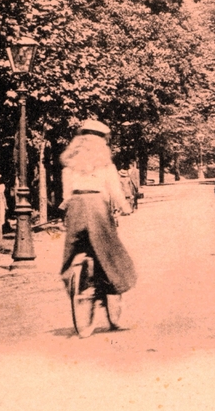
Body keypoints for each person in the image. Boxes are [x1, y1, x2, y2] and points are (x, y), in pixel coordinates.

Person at [59, 119, 136, 337]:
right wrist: (125, 207)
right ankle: (109, 290)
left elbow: (66, 195)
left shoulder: (70, 166)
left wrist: (66, 205)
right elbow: (114, 192)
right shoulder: (105, 166)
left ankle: (77, 284)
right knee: (111, 255)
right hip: (97, 210)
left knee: (72, 253)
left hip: (75, 209)